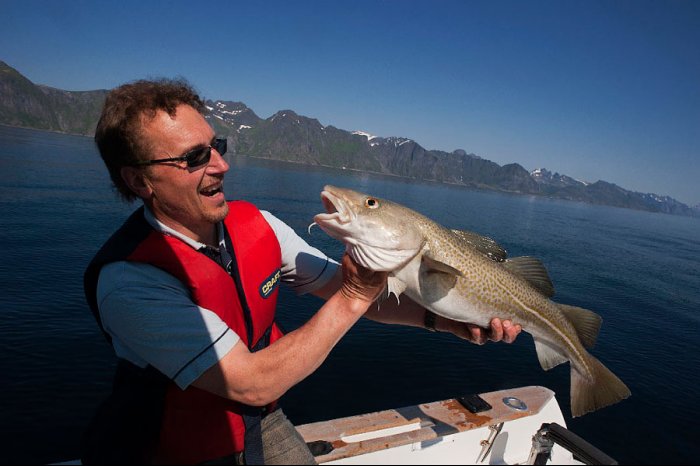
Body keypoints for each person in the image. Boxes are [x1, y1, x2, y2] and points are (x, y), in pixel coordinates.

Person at [82, 78, 522, 465]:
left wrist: (441, 320)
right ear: (141, 182)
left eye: (217, 146)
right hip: (170, 448)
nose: (221, 165)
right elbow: (250, 384)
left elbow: (343, 288)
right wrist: (353, 295)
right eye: (194, 158)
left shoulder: (260, 228)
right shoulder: (129, 281)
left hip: (260, 424)